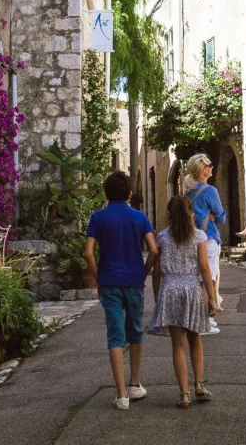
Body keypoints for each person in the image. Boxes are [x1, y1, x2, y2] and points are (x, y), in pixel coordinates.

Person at [84, 171, 159, 411]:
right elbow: (154, 250)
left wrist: (99, 278)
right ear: (129, 193)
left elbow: (88, 253)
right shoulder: (139, 217)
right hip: (134, 282)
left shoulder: (98, 218)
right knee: (135, 331)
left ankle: (121, 394)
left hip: (110, 282)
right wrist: (144, 272)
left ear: (106, 194)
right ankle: (135, 383)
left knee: (114, 335)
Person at [148, 196, 216, 409]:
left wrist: (158, 296)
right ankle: (199, 385)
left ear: (169, 215)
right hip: (192, 291)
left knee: (178, 345)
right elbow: (205, 267)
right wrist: (211, 296)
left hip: (170, 290)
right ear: (191, 214)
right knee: (195, 339)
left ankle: (184, 394)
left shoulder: (162, 238)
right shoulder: (199, 236)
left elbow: (156, 272)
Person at [183, 153, 226, 334]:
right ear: (202, 170)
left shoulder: (187, 191)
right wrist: (216, 216)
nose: (211, 168)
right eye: (209, 165)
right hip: (208, 237)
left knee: (196, 279)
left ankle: (198, 318)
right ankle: (205, 320)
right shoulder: (210, 191)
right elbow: (221, 216)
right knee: (208, 279)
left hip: (191, 239)